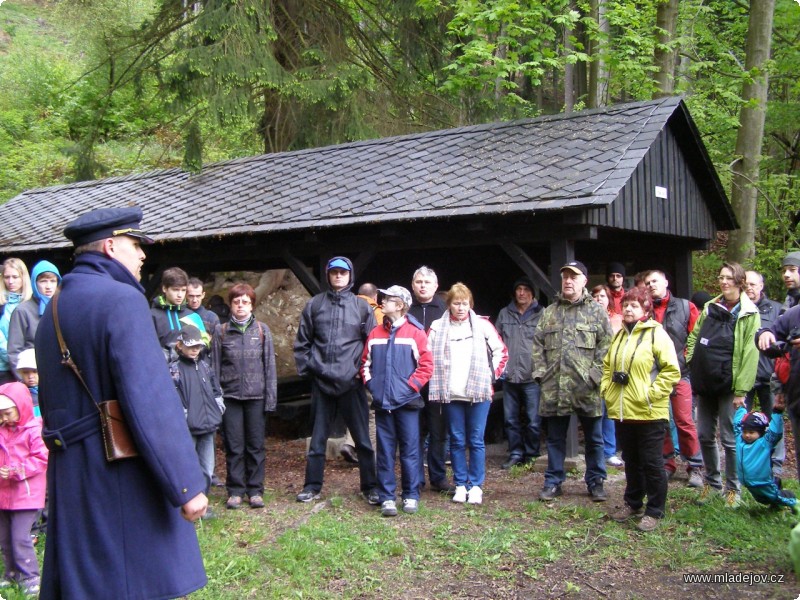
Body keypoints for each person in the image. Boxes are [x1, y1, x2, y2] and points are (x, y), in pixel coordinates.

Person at [34, 206, 208, 599]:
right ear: (111, 247)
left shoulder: (55, 309)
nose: (143, 255)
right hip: (119, 473)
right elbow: (150, 401)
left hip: (71, 474)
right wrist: (185, 484)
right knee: (131, 584)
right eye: (136, 245)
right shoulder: (121, 301)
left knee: (87, 585)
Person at [294, 256, 378, 504]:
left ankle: (370, 487)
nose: (339, 276)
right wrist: (312, 370)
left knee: (362, 440)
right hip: (322, 383)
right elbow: (302, 343)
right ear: (328, 275)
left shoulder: (362, 307)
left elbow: (370, 345)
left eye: (343, 273)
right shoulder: (314, 305)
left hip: (352, 383)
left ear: (350, 276)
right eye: (334, 273)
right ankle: (312, 486)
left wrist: (360, 373)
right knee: (318, 440)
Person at [533, 260, 613, 502]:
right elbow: (537, 345)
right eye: (565, 276)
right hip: (555, 387)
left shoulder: (597, 312)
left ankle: (596, 481)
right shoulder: (549, 312)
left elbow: (607, 347)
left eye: (573, 277)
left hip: (587, 388)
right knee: (555, 438)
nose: (568, 281)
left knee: (594, 439)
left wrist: (595, 376)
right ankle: (553, 481)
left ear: (584, 281)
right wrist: (540, 374)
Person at [602, 288, 680, 532]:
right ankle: (632, 502)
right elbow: (607, 366)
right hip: (624, 411)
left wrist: (650, 394)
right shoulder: (619, 336)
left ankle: (655, 510)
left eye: (634, 306)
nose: (628, 309)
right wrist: (607, 390)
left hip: (649, 413)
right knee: (631, 461)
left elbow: (671, 370)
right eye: (625, 305)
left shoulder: (657, 335)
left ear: (646, 310)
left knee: (652, 463)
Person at [687, 262, 760, 508]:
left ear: (739, 282)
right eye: (720, 277)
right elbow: (695, 336)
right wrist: (691, 359)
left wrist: (742, 390)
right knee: (705, 434)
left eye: (728, 278)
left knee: (729, 438)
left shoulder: (749, 313)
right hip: (706, 380)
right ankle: (712, 483)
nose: (723, 282)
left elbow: (750, 352)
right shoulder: (710, 307)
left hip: (731, 385)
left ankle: (733, 488)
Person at [428, 283, 507, 505]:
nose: (461, 307)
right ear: (449, 305)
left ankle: (476, 486)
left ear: (470, 304)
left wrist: (491, 376)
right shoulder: (437, 327)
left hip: (478, 394)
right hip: (451, 393)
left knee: (476, 440)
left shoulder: (483, 326)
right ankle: (460, 484)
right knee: (456, 440)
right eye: (456, 303)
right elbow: (427, 356)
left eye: (464, 303)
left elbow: (501, 352)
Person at [361, 285, 432, 516]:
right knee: (384, 452)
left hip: (408, 404)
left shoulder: (416, 333)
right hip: (383, 403)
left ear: (400, 305)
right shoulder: (375, 333)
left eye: (388, 299)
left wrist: (409, 388)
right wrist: (374, 387)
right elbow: (364, 365)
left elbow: (426, 365)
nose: (382, 302)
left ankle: (411, 495)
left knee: (411, 451)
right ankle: (387, 497)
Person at [212, 283, 277, 510]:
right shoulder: (220, 331)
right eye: (237, 302)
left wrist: (271, 398)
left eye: (245, 302)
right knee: (234, 445)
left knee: (256, 445)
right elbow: (215, 367)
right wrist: (215, 396)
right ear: (230, 305)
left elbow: (269, 366)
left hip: (256, 396)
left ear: (252, 305)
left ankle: (255, 490)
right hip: (230, 397)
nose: (241, 306)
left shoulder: (262, 330)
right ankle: (236, 490)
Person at [643, 269, 704, 488]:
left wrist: (684, 361)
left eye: (655, 281)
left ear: (666, 281)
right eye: (648, 282)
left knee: (684, 420)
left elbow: (695, 338)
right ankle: (667, 464)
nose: (651, 285)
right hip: (652, 376)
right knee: (660, 422)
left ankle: (695, 466)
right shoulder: (645, 310)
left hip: (680, 374)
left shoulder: (686, 307)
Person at [170, 325, 225, 518]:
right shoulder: (174, 370)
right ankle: (187, 507)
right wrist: (184, 416)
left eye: (198, 346)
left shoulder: (205, 367)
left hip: (208, 425)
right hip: (188, 428)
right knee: (187, 468)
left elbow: (216, 389)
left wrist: (218, 407)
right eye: (191, 346)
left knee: (207, 469)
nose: (195, 349)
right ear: (180, 346)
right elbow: (172, 397)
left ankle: (202, 506)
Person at [408, 266, 453, 494]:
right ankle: (415, 479)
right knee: (413, 433)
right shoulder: (405, 311)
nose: (423, 285)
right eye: (418, 282)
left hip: (438, 382)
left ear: (436, 286)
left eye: (427, 282)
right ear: (413, 285)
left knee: (438, 433)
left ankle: (438, 477)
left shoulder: (446, 311)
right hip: (412, 383)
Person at [0, 382, 48, 595]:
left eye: (7, 413)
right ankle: (10, 574)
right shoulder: (2, 430)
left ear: (21, 407)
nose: (4, 419)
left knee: (20, 537)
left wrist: (16, 470)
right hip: (3, 494)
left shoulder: (34, 429)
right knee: (5, 537)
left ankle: (30, 577)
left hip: (25, 495)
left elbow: (42, 458)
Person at [495, 277, 544, 469]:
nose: (521, 293)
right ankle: (515, 453)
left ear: (532, 293)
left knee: (533, 420)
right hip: (509, 376)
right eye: (518, 289)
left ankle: (532, 453)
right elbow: (495, 342)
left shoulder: (542, 314)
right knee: (510, 420)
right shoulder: (505, 313)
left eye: (525, 289)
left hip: (532, 376)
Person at [744, 270, 784, 480]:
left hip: (770, 375)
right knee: (743, 422)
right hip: (746, 376)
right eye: (746, 284)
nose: (749, 288)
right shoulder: (740, 310)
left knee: (774, 421)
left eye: (753, 284)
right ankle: (750, 461)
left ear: (761, 286)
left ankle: (776, 465)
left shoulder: (777, 309)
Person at [339, 282, 385, 464]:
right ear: (375, 297)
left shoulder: (344, 309)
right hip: (368, 368)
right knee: (371, 411)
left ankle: (349, 443)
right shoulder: (378, 313)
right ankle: (370, 454)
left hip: (346, 369)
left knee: (355, 409)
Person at [733, 395, 796, 511]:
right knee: (763, 500)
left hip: (763, 482)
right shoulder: (739, 440)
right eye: (745, 431)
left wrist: (777, 412)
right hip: (749, 483)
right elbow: (737, 424)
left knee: (776, 497)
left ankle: (794, 502)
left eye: (751, 432)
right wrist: (740, 408)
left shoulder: (764, 443)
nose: (747, 435)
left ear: (760, 432)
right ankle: (776, 506)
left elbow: (775, 432)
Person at [7, 260, 61, 380]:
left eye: (53, 281)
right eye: (43, 281)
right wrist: (25, 379)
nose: (48, 286)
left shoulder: (62, 307)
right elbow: (14, 351)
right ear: (34, 283)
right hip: (33, 377)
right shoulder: (22, 311)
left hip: (58, 375)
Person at [591, 284, 624, 468]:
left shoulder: (618, 319)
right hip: (593, 371)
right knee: (597, 412)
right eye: (595, 296)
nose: (599, 299)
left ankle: (610, 451)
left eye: (602, 296)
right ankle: (597, 450)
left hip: (612, 372)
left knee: (609, 414)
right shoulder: (587, 318)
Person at [0, 258, 32, 385]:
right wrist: (13, 360)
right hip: (3, 369)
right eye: (7, 277)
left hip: (29, 368)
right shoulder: (1, 304)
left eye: (15, 277)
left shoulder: (31, 303)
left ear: (23, 278)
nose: (10, 281)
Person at [151, 266, 194, 355]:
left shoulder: (193, 316)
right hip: (161, 367)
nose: (180, 295)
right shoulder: (151, 316)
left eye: (183, 290)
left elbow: (203, 347)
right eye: (175, 290)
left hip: (189, 367)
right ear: (164, 289)